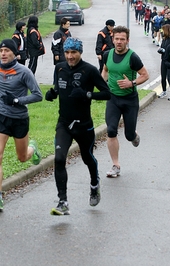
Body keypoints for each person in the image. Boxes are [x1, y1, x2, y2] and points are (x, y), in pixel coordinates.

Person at [46, 37, 111, 215]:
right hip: (64, 123)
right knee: (59, 159)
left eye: (73, 52)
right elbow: (58, 88)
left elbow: (107, 94)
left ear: (80, 52)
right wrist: (52, 93)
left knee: (87, 158)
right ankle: (63, 201)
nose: (69, 56)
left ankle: (94, 184)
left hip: (83, 125)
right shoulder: (59, 68)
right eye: (67, 52)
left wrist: (87, 94)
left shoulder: (89, 70)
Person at [0, 39, 43, 211]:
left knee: (22, 158)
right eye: (1, 50)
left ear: (14, 53)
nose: (3, 53)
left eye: (7, 50)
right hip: (0, 117)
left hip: (19, 119)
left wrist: (16, 101)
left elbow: (38, 95)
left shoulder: (24, 72)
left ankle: (32, 149)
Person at [101, 26, 149, 178]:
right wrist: (102, 85)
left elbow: (145, 75)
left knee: (128, 135)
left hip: (129, 100)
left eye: (122, 39)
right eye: (117, 39)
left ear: (127, 40)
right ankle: (116, 165)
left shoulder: (132, 57)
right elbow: (106, 70)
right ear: (112, 39)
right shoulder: (107, 54)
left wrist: (132, 83)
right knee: (111, 130)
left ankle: (133, 135)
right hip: (113, 98)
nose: (119, 42)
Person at [157, 24, 170, 100]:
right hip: (163, 60)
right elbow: (162, 47)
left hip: (169, 61)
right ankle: (164, 91)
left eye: (163, 30)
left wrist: (165, 51)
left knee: (169, 77)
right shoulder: (164, 39)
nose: (162, 31)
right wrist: (160, 50)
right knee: (163, 76)